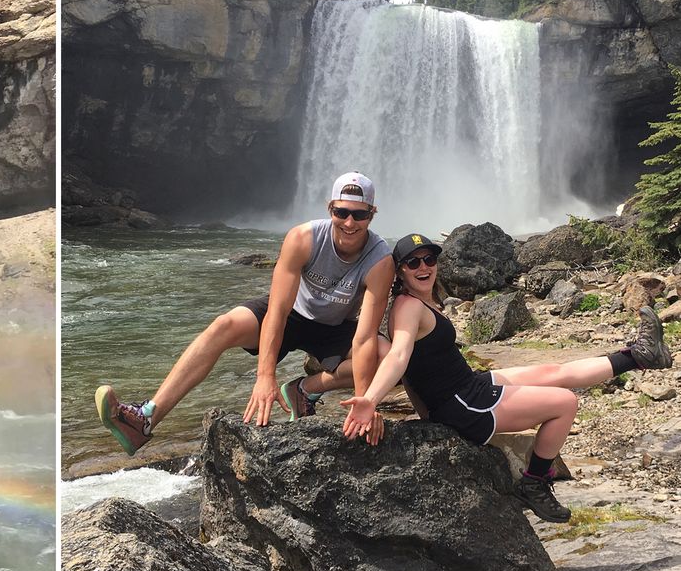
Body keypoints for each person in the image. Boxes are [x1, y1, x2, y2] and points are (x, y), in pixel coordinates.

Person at [341, 233, 674, 523]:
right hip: (464, 405)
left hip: (468, 386)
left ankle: (639, 355)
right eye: (413, 263)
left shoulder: (420, 304)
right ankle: (535, 482)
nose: (423, 267)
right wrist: (371, 401)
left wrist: (424, 411)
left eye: (429, 258)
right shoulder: (409, 307)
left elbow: (412, 370)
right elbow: (399, 356)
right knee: (565, 403)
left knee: (554, 372)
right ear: (399, 271)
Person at [96, 171, 397, 455]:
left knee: (388, 357)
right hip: (292, 313)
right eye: (341, 212)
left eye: (359, 214)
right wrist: (265, 376)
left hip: (335, 327)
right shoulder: (303, 238)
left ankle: (304, 390)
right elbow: (277, 311)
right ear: (330, 209)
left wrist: (366, 403)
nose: (349, 223)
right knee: (222, 326)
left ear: (372, 214)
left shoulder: (379, 260)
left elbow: (365, 338)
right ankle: (145, 418)